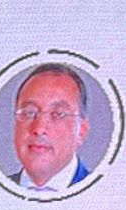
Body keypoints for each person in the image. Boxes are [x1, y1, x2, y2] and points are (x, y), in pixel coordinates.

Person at [10, 64, 91, 193]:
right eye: (29, 113)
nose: (39, 128)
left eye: (58, 114)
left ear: (81, 131)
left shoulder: (105, 195)